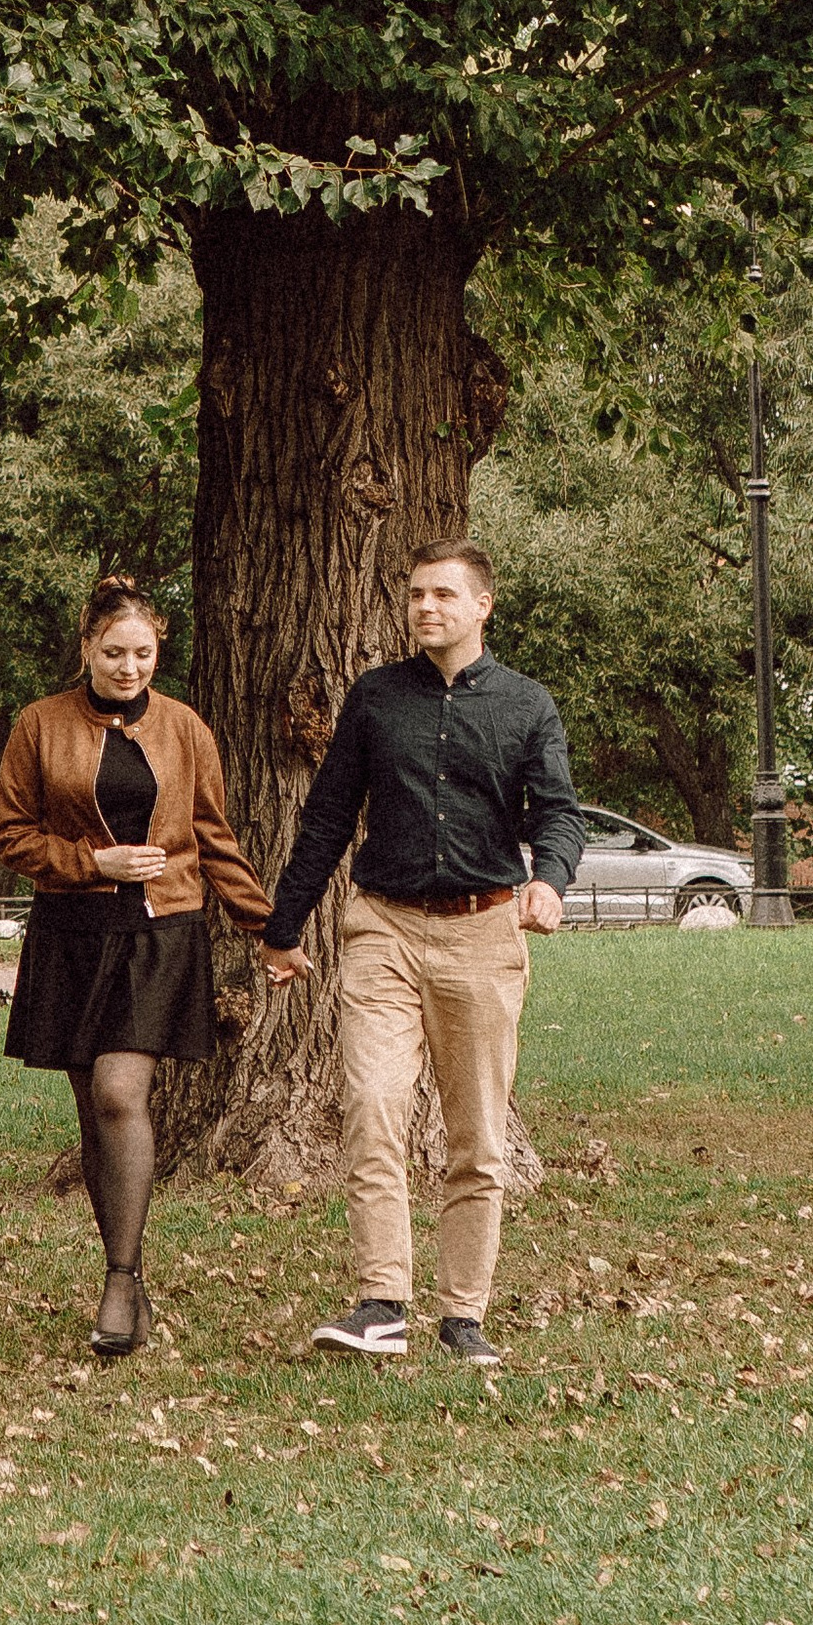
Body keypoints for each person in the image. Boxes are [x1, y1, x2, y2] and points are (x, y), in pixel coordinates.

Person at [257, 542, 581, 1364]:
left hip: (484, 934)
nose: (425, 608)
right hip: (383, 929)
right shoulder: (376, 699)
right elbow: (328, 815)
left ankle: (462, 1315)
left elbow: (558, 815)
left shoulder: (526, 705)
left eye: (443, 595)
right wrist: (285, 926)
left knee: (477, 1137)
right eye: (414, 596)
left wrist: (552, 883)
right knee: (372, 1106)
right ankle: (381, 1302)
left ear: (483, 607)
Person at [0, 574, 275, 1357]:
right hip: (72, 935)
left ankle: (118, 1281)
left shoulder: (185, 728)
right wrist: (92, 861)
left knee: (120, 1093)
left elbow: (213, 835)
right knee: (93, 1114)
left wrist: (264, 927)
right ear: (86, 646)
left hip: (160, 934)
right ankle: (132, 1281)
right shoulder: (39, 725)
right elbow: (10, 836)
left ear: (159, 651)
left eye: (143, 653)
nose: (128, 668)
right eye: (113, 652)